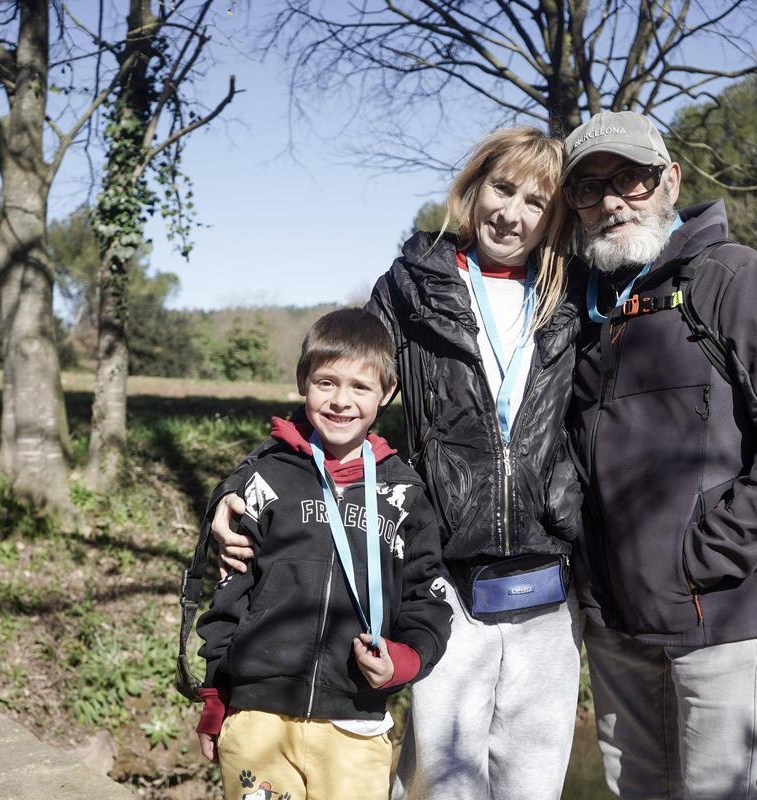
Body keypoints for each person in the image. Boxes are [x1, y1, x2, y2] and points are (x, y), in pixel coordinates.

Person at [208, 127, 587, 799]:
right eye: (502, 188)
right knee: (440, 782)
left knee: (533, 784)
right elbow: (341, 392)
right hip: (442, 572)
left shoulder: (572, 300)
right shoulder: (413, 286)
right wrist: (239, 486)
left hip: (547, 578)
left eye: (537, 200)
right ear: (474, 188)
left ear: (555, 214)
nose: (513, 212)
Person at [561, 110, 757, 799]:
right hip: (611, 621)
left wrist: (708, 558)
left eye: (632, 178)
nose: (613, 200)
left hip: (713, 611)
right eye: (591, 187)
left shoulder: (733, 278)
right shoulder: (576, 303)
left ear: (670, 181)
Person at [193, 308, 452, 800]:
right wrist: (214, 693)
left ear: (387, 394)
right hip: (258, 720)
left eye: (360, 387)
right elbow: (230, 592)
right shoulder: (265, 479)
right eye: (326, 382)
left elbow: (429, 598)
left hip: (354, 721)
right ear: (302, 383)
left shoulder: (405, 494)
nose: (340, 401)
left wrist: (406, 658)